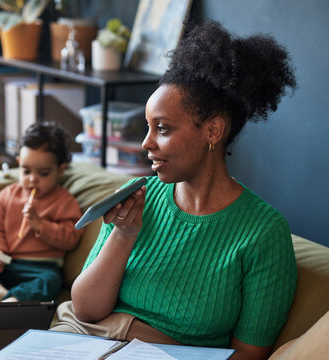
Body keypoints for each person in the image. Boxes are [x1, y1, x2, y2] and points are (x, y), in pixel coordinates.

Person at [52, 21, 298, 360]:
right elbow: (86, 310)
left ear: (213, 131)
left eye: (162, 129)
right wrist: (123, 236)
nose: (146, 143)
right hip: (83, 337)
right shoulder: (138, 197)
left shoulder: (263, 232)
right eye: (148, 127)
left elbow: (248, 355)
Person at [0, 122, 83, 302]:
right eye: (26, 171)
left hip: (42, 267)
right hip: (8, 262)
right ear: (19, 162)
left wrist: (40, 225)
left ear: (60, 169)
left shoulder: (64, 201)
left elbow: (71, 238)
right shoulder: (7, 195)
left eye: (43, 173)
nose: (33, 179)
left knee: (51, 281)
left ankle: (16, 299)